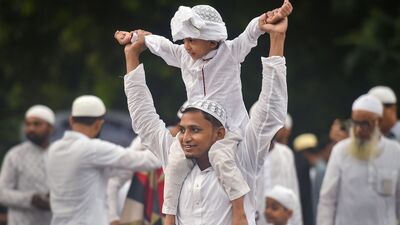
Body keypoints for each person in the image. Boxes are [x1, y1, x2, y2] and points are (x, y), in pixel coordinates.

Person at [116, 2, 292, 224]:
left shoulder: (242, 156)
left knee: (220, 158)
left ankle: (240, 210)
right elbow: (143, 119)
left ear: (218, 133)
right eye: (183, 129)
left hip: (234, 133)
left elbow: (270, 110)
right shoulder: (176, 150)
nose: (185, 137)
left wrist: (275, 38)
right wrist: (134, 47)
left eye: (195, 129)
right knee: (173, 166)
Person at [46, 95, 161, 225]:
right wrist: (166, 141)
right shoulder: (93, 149)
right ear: (99, 125)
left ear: (71, 120)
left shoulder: (53, 150)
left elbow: (111, 171)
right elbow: (145, 161)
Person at [317, 94, 400, 225]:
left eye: (365, 124)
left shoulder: (395, 152)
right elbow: (327, 200)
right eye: (355, 123)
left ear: (378, 121)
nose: (358, 130)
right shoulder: (340, 151)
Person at [0, 105, 55, 225]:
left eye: (37, 124)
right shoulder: (15, 155)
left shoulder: (59, 154)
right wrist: (31, 199)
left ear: (51, 128)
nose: (31, 128)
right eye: (28, 124)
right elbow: (2, 193)